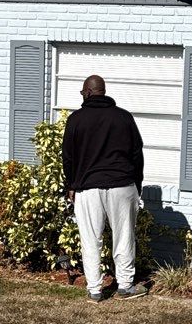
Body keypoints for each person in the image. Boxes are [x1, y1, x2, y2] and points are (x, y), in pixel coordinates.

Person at [61, 73, 146, 302]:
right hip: (122, 185)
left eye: (82, 92)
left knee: (90, 239)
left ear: (88, 92)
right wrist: (136, 184)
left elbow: (67, 158)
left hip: (87, 189)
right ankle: (125, 286)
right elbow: (137, 154)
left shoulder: (76, 120)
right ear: (103, 91)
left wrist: (70, 185)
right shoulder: (123, 118)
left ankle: (95, 290)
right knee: (124, 237)